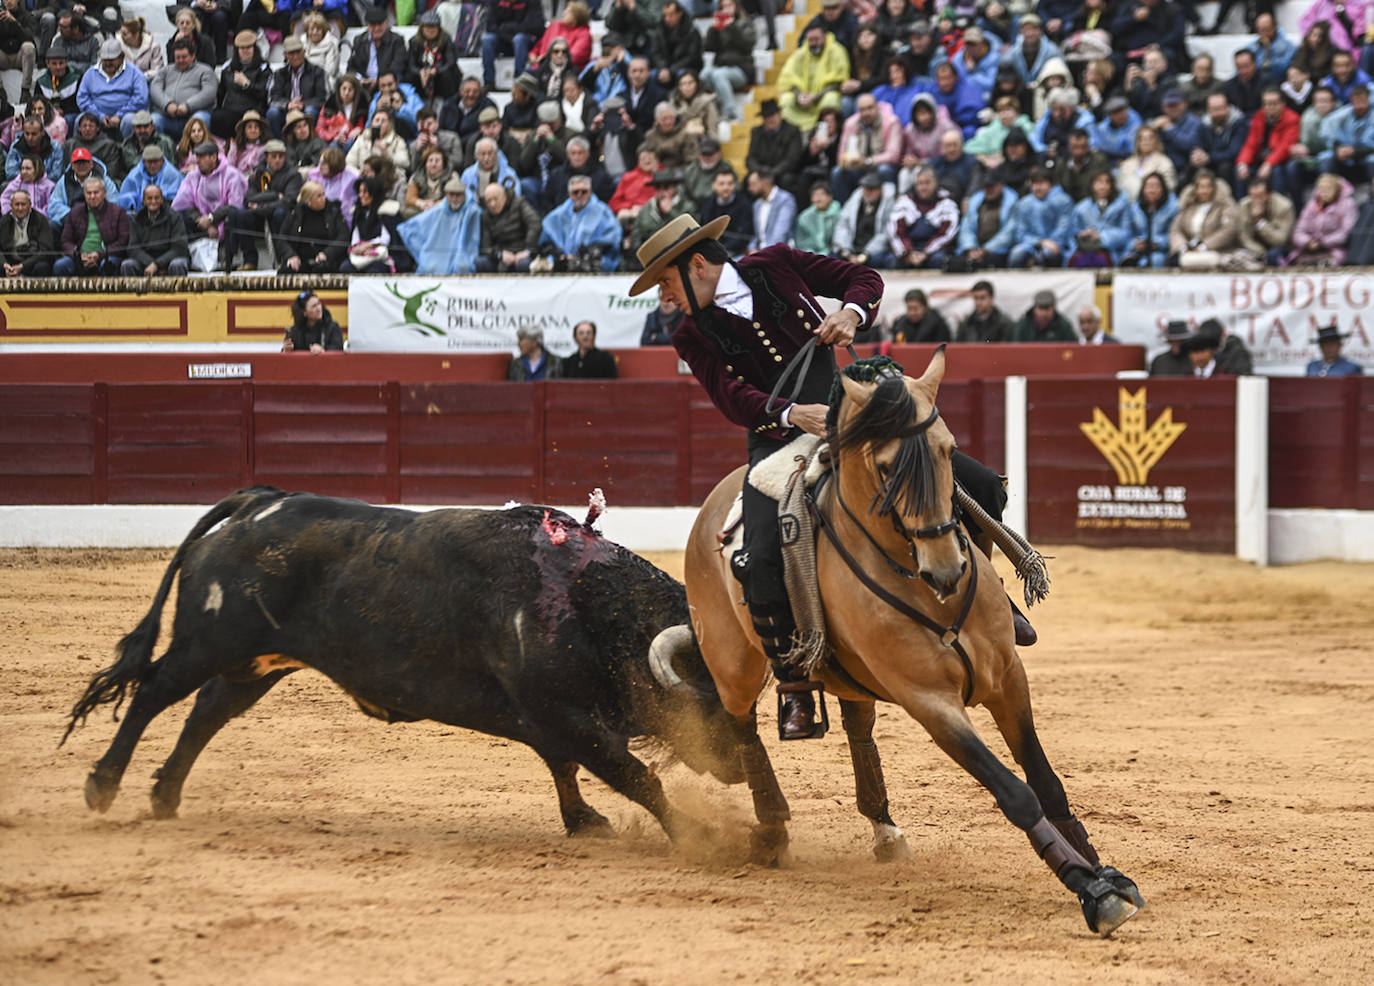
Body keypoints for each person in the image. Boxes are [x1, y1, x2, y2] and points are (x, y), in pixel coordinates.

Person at [626, 215, 1026, 739]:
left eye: (666, 281)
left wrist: (852, 315)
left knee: (980, 485)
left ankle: (987, 596)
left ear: (697, 264)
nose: (666, 295)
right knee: (758, 555)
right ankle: (795, 685)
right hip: (776, 439)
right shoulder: (688, 333)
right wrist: (794, 414)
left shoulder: (775, 264)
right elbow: (731, 398)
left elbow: (865, 281)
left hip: (850, 410)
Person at [172, 139, 246, 263]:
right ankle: (187, 256)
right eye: (197, 157)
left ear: (213, 157)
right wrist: (204, 222)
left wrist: (212, 218)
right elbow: (182, 204)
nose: (198, 160)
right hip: (202, 225)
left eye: (202, 157)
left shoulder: (232, 175)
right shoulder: (193, 176)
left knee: (235, 216)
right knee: (179, 216)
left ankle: (227, 256)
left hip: (225, 222)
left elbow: (235, 205)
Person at [986, 166, 1074, 268]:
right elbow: (1020, 233)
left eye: (1041, 183)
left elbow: (1064, 228)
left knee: (1047, 255)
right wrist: (1040, 242)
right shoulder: (1024, 203)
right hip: (1032, 244)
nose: (1037, 188)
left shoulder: (1064, 201)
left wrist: (1053, 242)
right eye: (1034, 184)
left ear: (1050, 185)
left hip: (1058, 245)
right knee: (1017, 254)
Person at [398, 174, 481, 274]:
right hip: (437, 254)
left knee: (462, 266)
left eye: (458, 195)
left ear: (464, 195)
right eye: (451, 195)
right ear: (446, 195)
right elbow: (414, 226)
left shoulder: (472, 211)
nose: (454, 198)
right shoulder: (438, 211)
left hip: (463, 254)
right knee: (429, 267)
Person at [537, 173, 619, 271]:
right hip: (562, 262)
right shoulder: (558, 214)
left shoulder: (603, 212)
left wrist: (589, 250)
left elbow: (613, 237)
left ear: (590, 192)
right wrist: (557, 252)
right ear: (570, 194)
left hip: (593, 261)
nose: (580, 195)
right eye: (575, 192)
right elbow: (545, 240)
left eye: (584, 192)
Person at [776, 25, 849, 133]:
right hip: (802, 99)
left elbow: (838, 81)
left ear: (824, 38)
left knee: (831, 99)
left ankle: (825, 134)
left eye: (816, 39)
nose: (813, 43)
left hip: (822, 97)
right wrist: (799, 95)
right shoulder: (800, 54)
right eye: (810, 40)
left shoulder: (836, 51)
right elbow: (788, 79)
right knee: (786, 99)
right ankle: (789, 135)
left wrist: (815, 98)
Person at [54, 175, 129, 276]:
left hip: (107, 256)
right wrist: (79, 255)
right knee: (60, 266)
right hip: (80, 258)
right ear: (84, 194)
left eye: (96, 193)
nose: (92, 196)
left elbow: (123, 241)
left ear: (104, 193)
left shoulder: (118, 212)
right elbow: (65, 240)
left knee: (108, 265)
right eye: (89, 193)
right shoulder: (75, 212)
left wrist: (99, 255)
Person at [1168, 170, 1238, 268]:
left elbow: (1229, 230)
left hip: (1217, 251)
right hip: (1190, 251)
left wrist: (1204, 246)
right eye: (1201, 187)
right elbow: (1176, 229)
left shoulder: (1224, 205)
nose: (1204, 191)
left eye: (1208, 186)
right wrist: (1182, 246)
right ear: (1195, 189)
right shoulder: (1188, 205)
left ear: (1214, 188)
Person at [702, 0, 755, 123]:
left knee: (719, 75)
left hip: (742, 69)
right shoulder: (719, 27)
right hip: (721, 66)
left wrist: (732, 27)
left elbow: (747, 45)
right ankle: (712, 110)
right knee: (704, 74)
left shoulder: (745, 22)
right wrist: (712, 30)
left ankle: (730, 112)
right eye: (723, 6)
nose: (726, 9)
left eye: (730, 5)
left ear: (736, 6)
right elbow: (708, 47)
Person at [1286, 172, 1356, 266]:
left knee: (1336, 259)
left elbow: (1346, 232)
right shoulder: (1311, 205)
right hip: (1309, 248)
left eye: (1328, 189)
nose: (1324, 192)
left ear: (1337, 190)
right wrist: (1308, 242)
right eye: (1321, 189)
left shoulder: (1347, 204)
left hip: (1335, 249)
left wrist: (1323, 242)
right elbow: (1298, 231)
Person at [119, 183, 189, 276]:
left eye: (157, 198)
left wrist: (157, 264)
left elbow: (179, 248)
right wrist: (150, 263)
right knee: (127, 265)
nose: (153, 201)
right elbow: (133, 248)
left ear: (162, 200)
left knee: (178, 264)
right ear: (143, 201)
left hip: (170, 259)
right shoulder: (135, 219)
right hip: (145, 260)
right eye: (149, 198)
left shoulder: (175, 217)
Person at [213, 30, 270, 141]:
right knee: (217, 117)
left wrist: (247, 84)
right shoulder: (228, 68)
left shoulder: (263, 68)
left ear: (254, 48)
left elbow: (264, 93)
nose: (245, 51)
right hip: (231, 108)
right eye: (242, 48)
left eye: (248, 47)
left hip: (253, 108)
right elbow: (221, 92)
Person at [268, 35, 327, 138]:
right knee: (272, 113)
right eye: (291, 53)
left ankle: (310, 142)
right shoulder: (279, 74)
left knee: (311, 111)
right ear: (285, 55)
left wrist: (303, 104)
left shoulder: (317, 71)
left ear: (304, 52)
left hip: (306, 109)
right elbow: (272, 98)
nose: (295, 56)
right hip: (286, 111)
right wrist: (288, 104)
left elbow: (322, 98)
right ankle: (280, 143)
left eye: (298, 52)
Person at [833, 171, 895, 267]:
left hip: (874, 252)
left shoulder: (889, 202)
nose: (867, 192)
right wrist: (846, 251)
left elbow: (886, 233)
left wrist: (866, 254)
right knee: (832, 259)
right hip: (851, 250)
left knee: (882, 260)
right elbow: (842, 225)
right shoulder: (855, 199)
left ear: (880, 189)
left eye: (872, 189)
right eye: (865, 188)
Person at [477, 179, 540, 272]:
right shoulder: (485, 216)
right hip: (501, 254)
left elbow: (535, 223)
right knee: (481, 262)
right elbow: (486, 247)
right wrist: (500, 254)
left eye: (495, 199)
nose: (492, 204)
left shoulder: (519, 203)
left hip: (522, 251)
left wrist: (527, 250)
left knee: (523, 264)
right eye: (489, 201)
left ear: (504, 196)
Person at [482, 0, 543, 90]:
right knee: (487, 39)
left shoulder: (532, 2)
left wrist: (507, 29)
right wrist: (507, 33)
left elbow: (533, 26)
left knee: (519, 39)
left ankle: (519, 81)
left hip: (524, 42)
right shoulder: (495, 2)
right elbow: (490, 26)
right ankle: (489, 82)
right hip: (503, 39)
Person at [629, 168, 689, 261]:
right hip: (650, 258)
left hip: (680, 256)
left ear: (675, 187)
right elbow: (635, 238)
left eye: (666, 187)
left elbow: (691, 233)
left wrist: (670, 213)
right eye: (657, 187)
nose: (661, 192)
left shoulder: (687, 206)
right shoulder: (646, 209)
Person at [1234, 177, 1294, 267]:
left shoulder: (1284, 206)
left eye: (1259, 196)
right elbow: (1245, 237)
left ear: (1269, 195)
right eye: (1252, 196)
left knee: (1273, 255)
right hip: (1255, 248)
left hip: (1278, 247)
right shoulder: (1244, 205)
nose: (1256, 200)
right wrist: (1260, 251)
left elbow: (1280, 240)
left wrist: (1259, 221)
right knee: (1238, 255)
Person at [0, 188, 57, 276]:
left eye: (23, 204)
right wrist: (4, 264)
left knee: (42, 267)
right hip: (10, 261)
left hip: (32, 261)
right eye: (17, 204)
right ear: (11, 206)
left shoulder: (40, 220)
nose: (20, 208)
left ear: (30, 205)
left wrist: (22, 266)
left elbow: (46, 250)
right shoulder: (4, 221)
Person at [698, 169, 752, 258]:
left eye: (730, 183)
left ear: (735, 185)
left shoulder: (744, 204)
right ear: (714, 185)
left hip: (736, 252)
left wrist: (722, 250)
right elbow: (704, 231)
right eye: (721, 184)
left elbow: (743, 236)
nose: (726, 187)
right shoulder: (708, 204)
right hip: (712, 251)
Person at [350, 7, 407, 90]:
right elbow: (351, 66)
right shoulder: (359, 40)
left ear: (386, 23)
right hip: (364, 85)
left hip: (387, 85)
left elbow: (398, 67)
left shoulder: (396, 40)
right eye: (373, 25)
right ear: (367, 25)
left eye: (380, 24)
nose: (376, 29)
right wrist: (360, 79)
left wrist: (379, 81)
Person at [117, 143, 182, 213]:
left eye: (155, 161)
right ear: (144, 162)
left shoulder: (173, 175)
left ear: (162, 161)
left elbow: (178, 201)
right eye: (149, 162)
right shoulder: (134, 175)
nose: (153, 165)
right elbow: (124, 199)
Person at [747, 168, 796, 252]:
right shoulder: (757, 205)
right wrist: (751, 249)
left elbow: (780, 235)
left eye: (753, 184)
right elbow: (757, 236)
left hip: (780, 253)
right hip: (759, 253)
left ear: (765, 184)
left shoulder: (786, 200)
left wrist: (761, 254)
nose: (749, 188)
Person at [0, 0, 37, 104]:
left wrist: (14, 22)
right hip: (4, 57)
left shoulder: (27, 16)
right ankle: (0, 91)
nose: (9, 2)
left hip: (20, 57)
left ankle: (25, 91)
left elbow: (29, 38)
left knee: (29, 47)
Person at [1011, 289, 1076, 342]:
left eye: (1047, 309)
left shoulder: (1063, 325)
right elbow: (1016, 347)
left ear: (1053, 308)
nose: (1043, 313)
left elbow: (1072, 347)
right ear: (1034, 308)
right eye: (1041, 308)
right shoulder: (1023, 324)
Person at [794, 181, 840, 256]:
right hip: (811, 254)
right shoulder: (805, 218)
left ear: (830, 197)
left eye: (821, 195)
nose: (817, 199)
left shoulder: (839, 212)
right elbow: (801, 242)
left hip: (834, 252)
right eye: (814, 195)